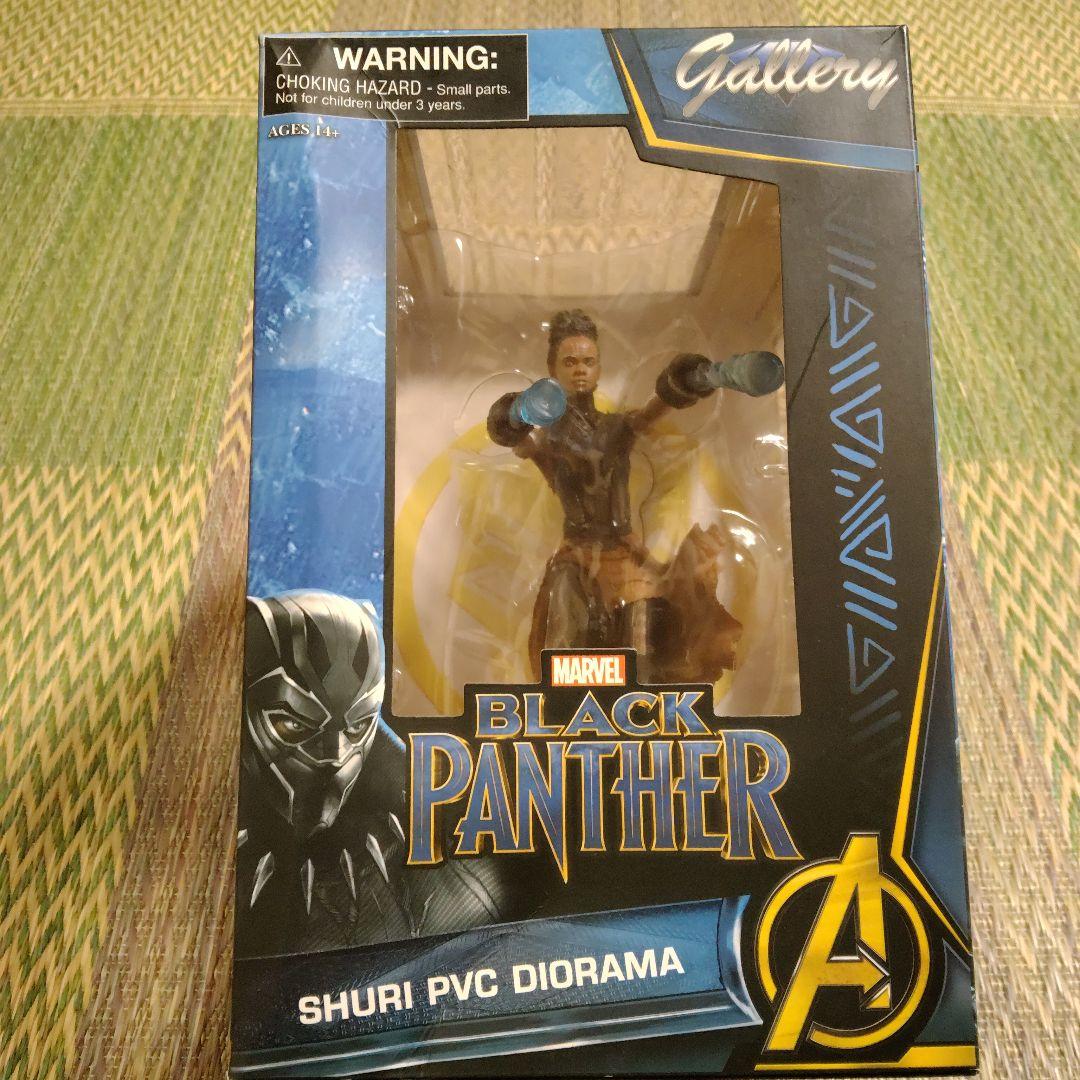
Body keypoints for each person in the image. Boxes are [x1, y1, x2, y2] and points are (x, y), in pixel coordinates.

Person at [486, 309, 784, 684]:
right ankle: (565, 699)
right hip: (575, 554)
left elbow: (651, 412)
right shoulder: (552, 434)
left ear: (599, 368)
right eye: (570, 362)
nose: (580, 370)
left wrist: (696, 380)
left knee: (642, 638)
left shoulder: (616, 427)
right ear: (552, 369)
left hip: (624, 551)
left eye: (588, 361)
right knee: (564, 636)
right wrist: (517, 416)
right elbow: (513, 435)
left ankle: (641, 700)